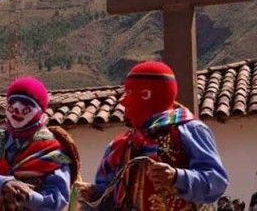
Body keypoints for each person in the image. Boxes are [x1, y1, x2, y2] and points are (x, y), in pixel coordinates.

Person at [75, 61, 229, 210]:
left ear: (148, 95)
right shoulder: (120, 145)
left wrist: (177, 177)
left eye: (130, 93)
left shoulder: (190, 131)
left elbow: (217, 182)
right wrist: (96, 193)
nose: (124, 102)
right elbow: (110, 195)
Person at [0, 76, 77, 211]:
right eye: (12, 106)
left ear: (39, 112)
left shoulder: (53, 150)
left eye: (25, 108)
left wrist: (27, 196)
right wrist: (2, 183)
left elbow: (58, 197)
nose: (16, 113)